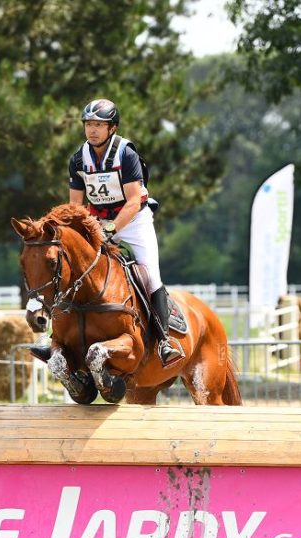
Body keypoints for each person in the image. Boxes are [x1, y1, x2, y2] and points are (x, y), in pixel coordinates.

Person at [67, 98, 181, 364]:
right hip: (98, 221)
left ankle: (165, 340)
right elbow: (75, 205)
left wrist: (112, 227)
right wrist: (85, 229)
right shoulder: (77, 160)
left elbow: (133, 201)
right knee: (73, 269)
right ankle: (53, 335)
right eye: (89, 124)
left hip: (133, 222)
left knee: (151, 274)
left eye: (99, 125)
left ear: (112, 128)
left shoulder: (125, 154)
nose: (92, 130)